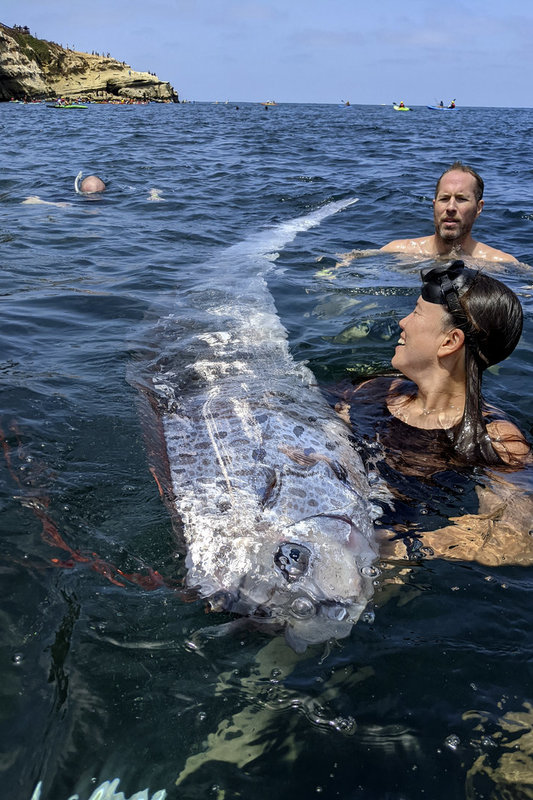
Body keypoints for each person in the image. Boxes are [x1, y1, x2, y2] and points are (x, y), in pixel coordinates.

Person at [335, 261, 531, 564]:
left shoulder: (495, 438)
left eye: (415, 312)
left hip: (384, 561)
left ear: (450, 341)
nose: (403, 322)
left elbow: (516, 539)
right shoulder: (375, 389)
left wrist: (397, 547)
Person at [381, 161, 518, 263]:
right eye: (444, 198)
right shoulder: (397, 252)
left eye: (461, 199)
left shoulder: (499, 263)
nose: (450, 207)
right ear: (434, 205)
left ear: (478, 208)